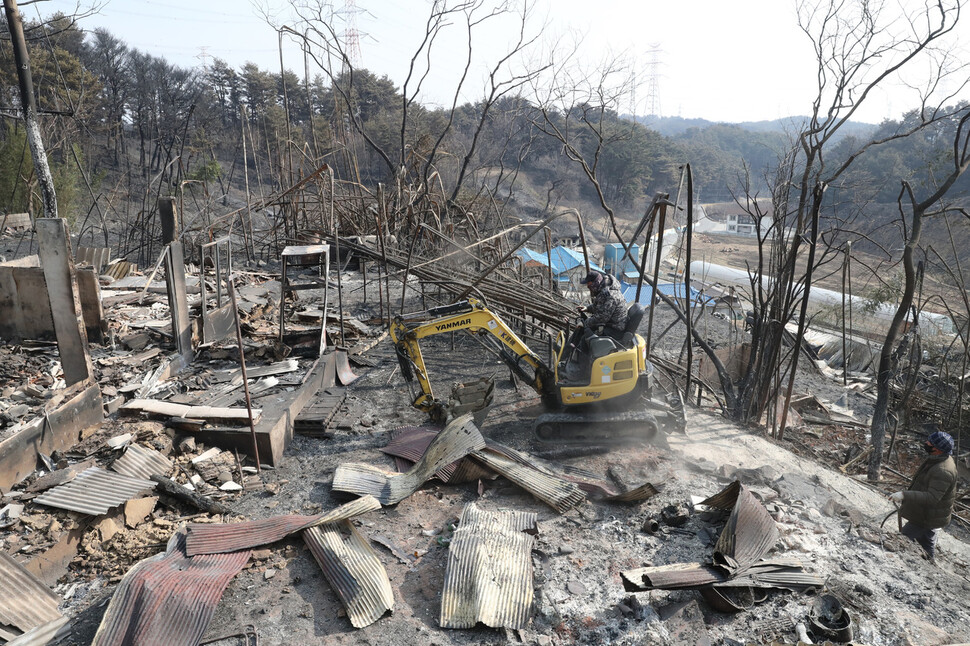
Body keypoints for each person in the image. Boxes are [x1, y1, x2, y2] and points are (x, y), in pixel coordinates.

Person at [889, 430, 958, 562]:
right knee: (926, 541)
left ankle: (906, 564)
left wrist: (904, 495)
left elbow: (932, 498)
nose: (926, 443)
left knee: (902, 539)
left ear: (937, 449)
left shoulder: (943, 471)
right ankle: (930, 563)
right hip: (929, 514)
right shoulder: (937, 459)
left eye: (930, 443)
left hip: (927, 516)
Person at [560, 270, 629, 383]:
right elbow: (600, 306)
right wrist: (587, 308)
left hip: (615, 330)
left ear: (596, 283)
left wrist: (584, 323)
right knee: (583, 332)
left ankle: (581, 373)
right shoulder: (605, 290)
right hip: (611, 325)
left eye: (590, 286)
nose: (589, 288)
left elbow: (602, 317)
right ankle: (567, 357)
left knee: (585, 340)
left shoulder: (609, 294)